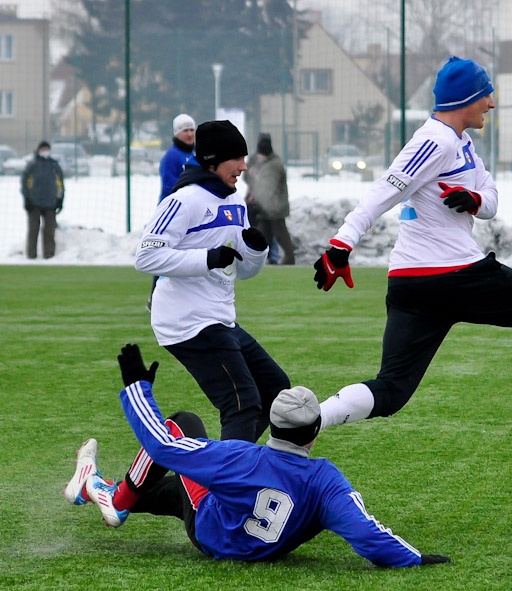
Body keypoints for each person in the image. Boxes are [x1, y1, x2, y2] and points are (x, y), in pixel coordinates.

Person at [310, 56, 512, 454]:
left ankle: (306, 420)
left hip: (412, 282)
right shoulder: (435, 139)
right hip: (450, 272)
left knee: (391, 391)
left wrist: (473, 198)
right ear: (467, 98)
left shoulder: (461, 142)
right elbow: (383, 191)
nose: (491, 103)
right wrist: (342, 244)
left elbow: (492, 200)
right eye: (486, 94)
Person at [62, 344, 449, 568]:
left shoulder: (238, 457)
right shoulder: (325, 479)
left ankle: (115, 500)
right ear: (316, 431)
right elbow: (366, 532)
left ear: (273, 424)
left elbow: (162, 445)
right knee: (180, 488)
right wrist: (413, 558)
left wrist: (137, 387)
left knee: (182, 423)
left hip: (211, 535)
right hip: (264, 546)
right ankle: (97, 488)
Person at [135, 120, 291, 442]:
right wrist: (207, 258)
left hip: (219, 318)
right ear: (212, 160)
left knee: (276, 389)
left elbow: (241, 271)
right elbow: (146, 257)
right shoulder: (183, 201)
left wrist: (256, 251)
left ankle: (233, 468)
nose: (243, 167)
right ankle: (228, 485)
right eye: (237, 158)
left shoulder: (234, 202)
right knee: (242, 403)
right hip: (186, 321)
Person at [149, 114, 197, 310]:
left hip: (192, 212)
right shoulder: (171, 156)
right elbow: (170, 185)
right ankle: (155, 297)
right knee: (165, 252)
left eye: (192, 129)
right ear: (177, 133)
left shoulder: (196, 154)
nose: (189, 134)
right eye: (185, 130)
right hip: (174, 211)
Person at [244, 132, 295, 265]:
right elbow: (247, 177)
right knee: (263, 233)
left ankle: (289, 259)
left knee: (280, 233)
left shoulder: (274, 164)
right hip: (264, 206)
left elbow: (268, 186)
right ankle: (255, 259)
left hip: (275, 206)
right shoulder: (256, 160)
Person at [20, 140, 64, 260]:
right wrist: (26, 199)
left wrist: (60, 199)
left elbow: (60, 184)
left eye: (47, 149)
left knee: (49, 231)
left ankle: (49, 254)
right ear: (39, 150)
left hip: (50, 203)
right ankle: (31, 254)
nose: (45, 152)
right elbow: (24, 183)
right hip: (34, 203)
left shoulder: (54, 166)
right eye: (43, 149)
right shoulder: (32, 165)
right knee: (33, 229)